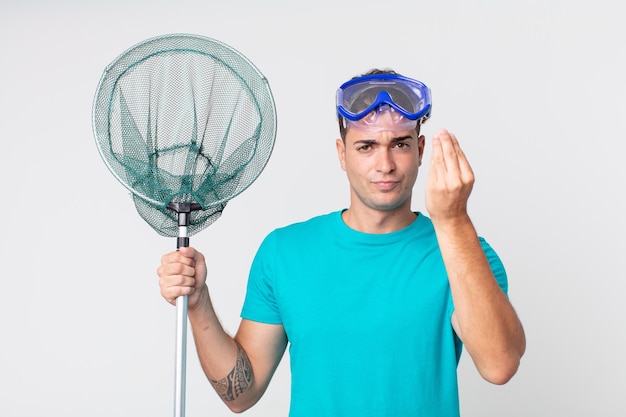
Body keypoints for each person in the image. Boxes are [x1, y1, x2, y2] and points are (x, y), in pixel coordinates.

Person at [157, 69, 526, 416]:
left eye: (399, 144)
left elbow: (499, 365)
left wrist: (454, 221)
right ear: (342, 154)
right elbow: (242, 393)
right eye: (366, 146)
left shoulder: (465, 254)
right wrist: (198, 302)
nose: (385, 164)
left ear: (420, 150)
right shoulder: (285, 252)